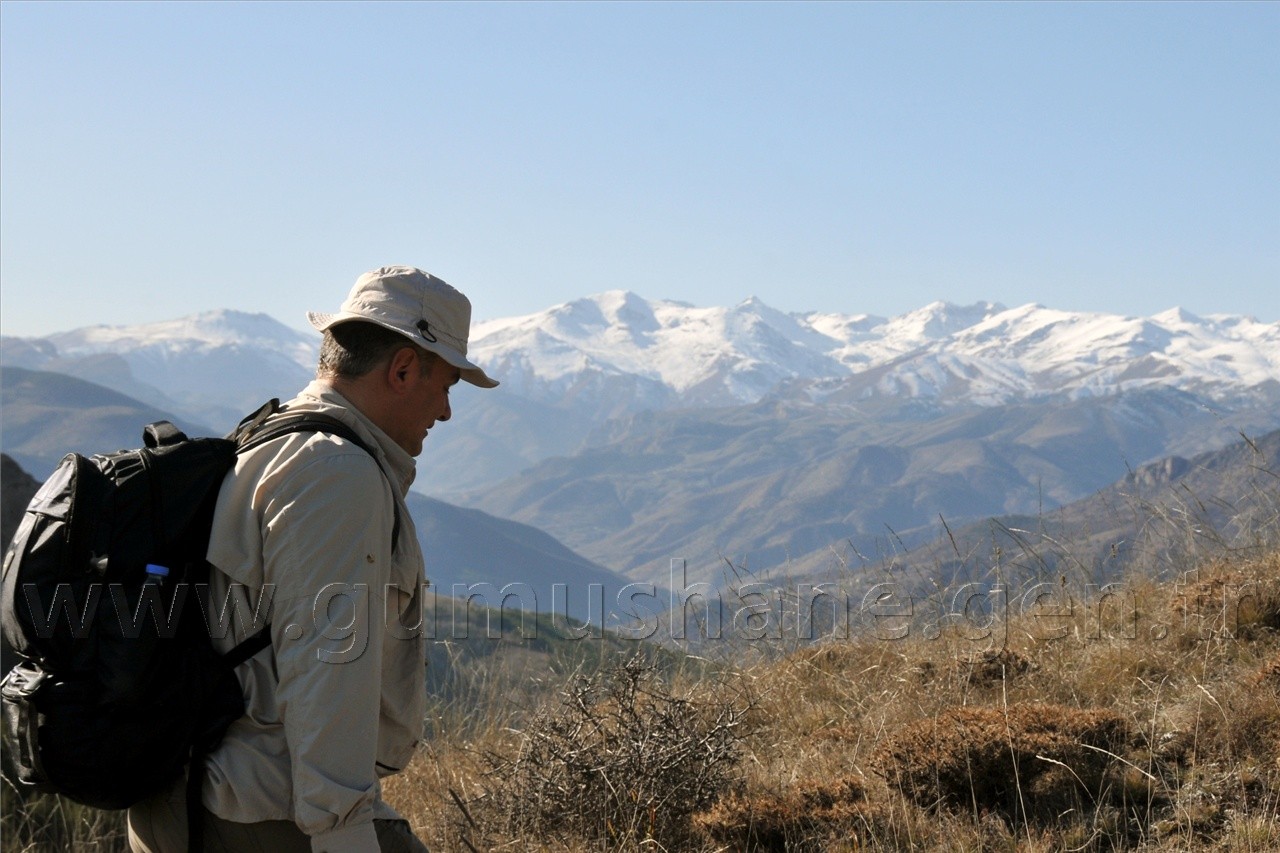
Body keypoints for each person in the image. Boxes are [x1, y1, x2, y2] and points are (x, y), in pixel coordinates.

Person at [128, 266, 498, 852]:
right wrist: (343, 833)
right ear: (403, 369)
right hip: (264, 814)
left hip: (196, 798)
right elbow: (327, 665)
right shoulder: (336, 474)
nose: (447, 411)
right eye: (447, 384)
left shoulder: (270, 437)